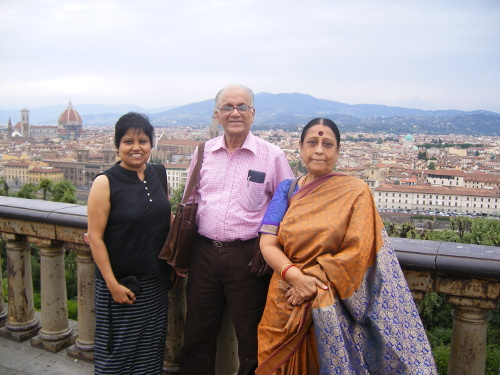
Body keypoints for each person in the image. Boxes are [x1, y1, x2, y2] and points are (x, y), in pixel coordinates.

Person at [256, 118, 437, 374]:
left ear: (338, 151)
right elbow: (268, 243)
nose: (319, 149)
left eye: (327, 144)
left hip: (328, 304)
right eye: (312, 142)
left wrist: (312, 282)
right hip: (283, 298)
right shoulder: (287, 190)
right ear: (300, 148)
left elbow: (358, 253)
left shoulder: (355, 192)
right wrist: (295, 277)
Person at [178, 84, 295, 375]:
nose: (235, 113)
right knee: (195, 337)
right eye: (228, 107)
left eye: (242, 106)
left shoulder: (272, 157)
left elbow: (291, 210)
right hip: (203, 255)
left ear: (253, 114)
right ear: (217, 115)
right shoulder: (203, 152)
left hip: (248, 258)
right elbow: (189, 202)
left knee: (253, 341)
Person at [87, 112, 172, 375]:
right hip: (123, 283)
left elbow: (166, 218)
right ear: (117, 146)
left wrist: (176, 260)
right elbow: (95, 238)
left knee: (150, 351)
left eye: (143, 140)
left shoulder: (158, 172)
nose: (136, 147)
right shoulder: (105, 182)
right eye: (128, 141)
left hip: (156, 281)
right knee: (118, 355)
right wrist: (112, 285)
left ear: (150, 145)